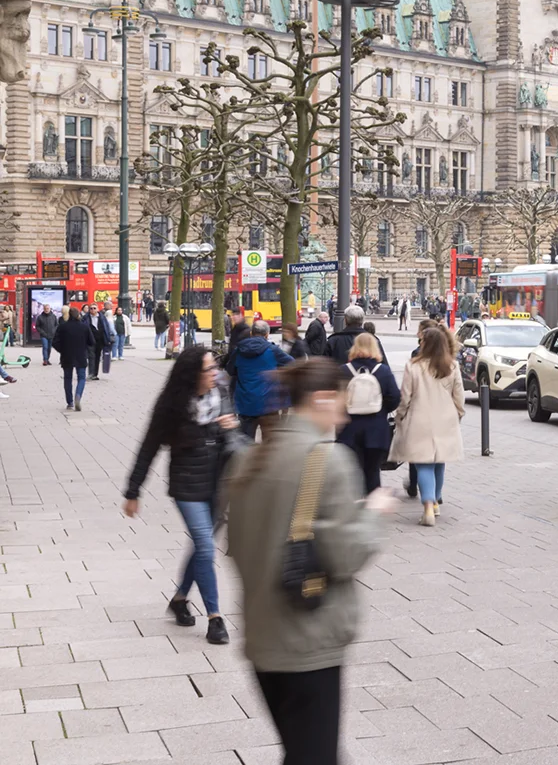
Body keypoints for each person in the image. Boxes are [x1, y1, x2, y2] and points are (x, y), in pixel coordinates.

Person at [224, 358, 393, 764]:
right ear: (320, 399)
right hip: (309, 643)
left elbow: (238, 545)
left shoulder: (249, 460)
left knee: (307, 753)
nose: (345, 412)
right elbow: (348, 555)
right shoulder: (328, 461)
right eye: (340, 401)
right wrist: (373, 513)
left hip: (263, 640)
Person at [122, 345, 238, 645]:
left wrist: (229, 430)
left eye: (216, 367)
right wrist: (133, 491)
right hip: (187, 485)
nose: (215, 373)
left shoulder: (220, 393)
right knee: (204, 545)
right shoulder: (171, 406)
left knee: (201, 546)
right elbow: (148, 448)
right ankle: (215, 618)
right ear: (192, 375)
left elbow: (233, 438)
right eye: (209, 369)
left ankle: (180, 598)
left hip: (217, 483)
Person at [391, 326, 464, 526]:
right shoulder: (452, 366)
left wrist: (400, 416)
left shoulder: (413, 366)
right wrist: (458, 413)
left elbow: (405, 396)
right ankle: (436, 502)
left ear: (426, 344)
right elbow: (459, 396)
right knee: (440, 462)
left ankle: (427, 508)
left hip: (420, 419)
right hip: (445, 419)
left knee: (423, 464)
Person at [338, 333, 401, 495]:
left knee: (352, 471)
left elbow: (337, 398)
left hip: (349, 429)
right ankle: (371, 506)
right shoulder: (383, 371)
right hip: (377, 429)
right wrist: (381, 409)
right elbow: (395, 397)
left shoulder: (344, 371)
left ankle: (354, 504)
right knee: (373, 471)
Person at [231, 320, 295, 441]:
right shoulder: (273, 351)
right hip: (268, 405)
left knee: (245, 445)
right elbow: (292, 363)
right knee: (269, 446)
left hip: (246, 405)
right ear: (267, 334)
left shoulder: (238, 350)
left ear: (251, 333)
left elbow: (230, 370)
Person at [53, 306, 93, 411]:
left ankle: (70, 402)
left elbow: (55, 342)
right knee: (81, 378)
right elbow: (92, 342)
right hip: (81, 356)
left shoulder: (63, 327)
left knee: (67, 378)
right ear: (78, 315)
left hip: (67, 356)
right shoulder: (84, 327)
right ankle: (78, 395)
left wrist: (62, 350)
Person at [87, 304, 113, 379]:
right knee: (91, 356)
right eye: (91, 308)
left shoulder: (102, 317)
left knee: (97, 357)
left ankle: (95, 374)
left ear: (97, 309)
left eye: (94, 308)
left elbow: (106, 328)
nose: (92, 310)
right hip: (90, 340)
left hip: (100, 340)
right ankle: (91, 373)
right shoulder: (86, 318)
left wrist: (108, 338)